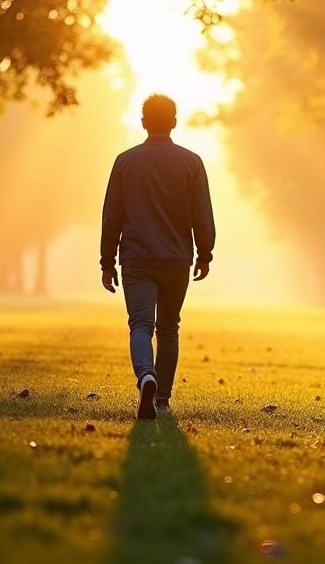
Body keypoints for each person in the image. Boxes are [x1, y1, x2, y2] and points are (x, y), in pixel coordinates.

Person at [100, 94, 216, 420]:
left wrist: (107, 262)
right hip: (177, 260)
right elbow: (201, 213)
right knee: (168, 329)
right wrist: (204, 253)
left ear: (143, 123)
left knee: (140, 325)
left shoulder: (125, 161)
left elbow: (112, 216)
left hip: (136, 259)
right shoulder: (191, 162)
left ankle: (145, 377)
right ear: (174, 122)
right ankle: (162, 399)